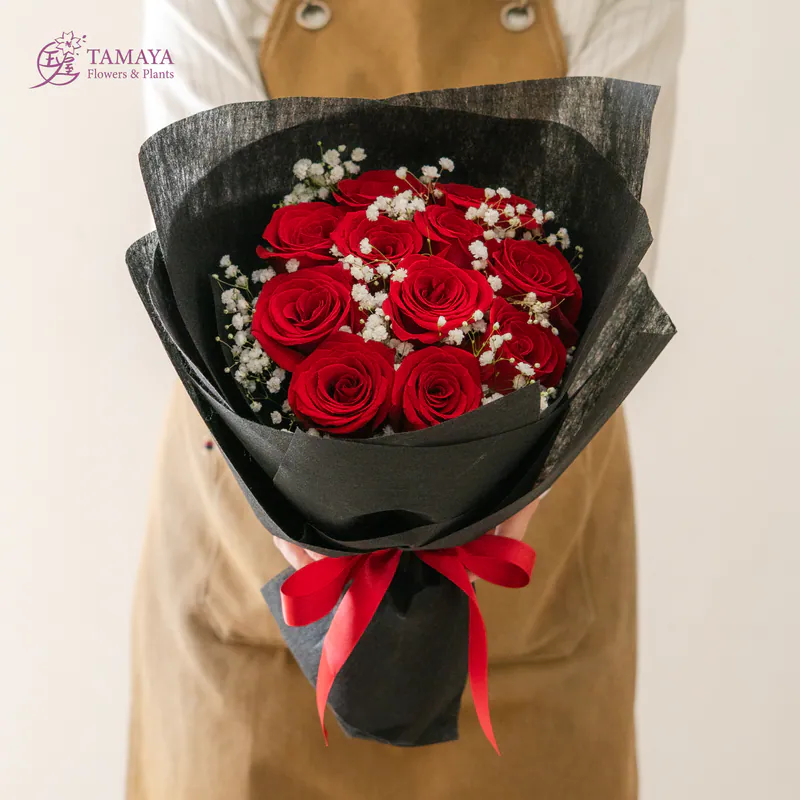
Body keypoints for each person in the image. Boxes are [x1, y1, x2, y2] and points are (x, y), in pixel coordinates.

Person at [128, 2, 684, 798]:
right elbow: (201, 209)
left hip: (539, 541)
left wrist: (511, 490)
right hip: (252, 560)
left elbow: (615, 242)